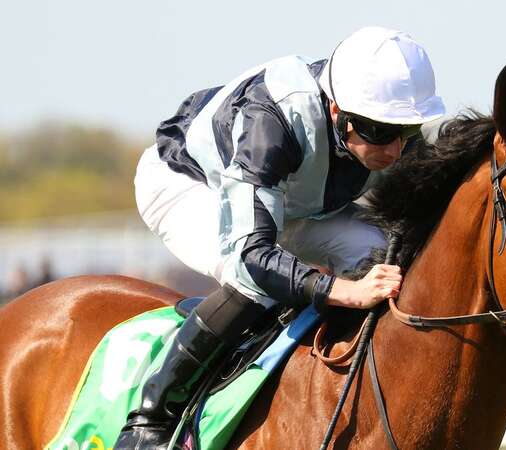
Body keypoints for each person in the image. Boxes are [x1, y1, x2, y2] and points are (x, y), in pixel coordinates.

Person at [115, 26, 445, 449]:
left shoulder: (377, 124)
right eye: (378, 132)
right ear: (336, 110)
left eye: (407, 131)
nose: (396, 150)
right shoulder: (271, 121)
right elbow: (252, 253)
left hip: (292, 202)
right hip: (190, 184)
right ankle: (149, 421)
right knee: (254, 282)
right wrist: (340, 290)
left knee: (378, 256)